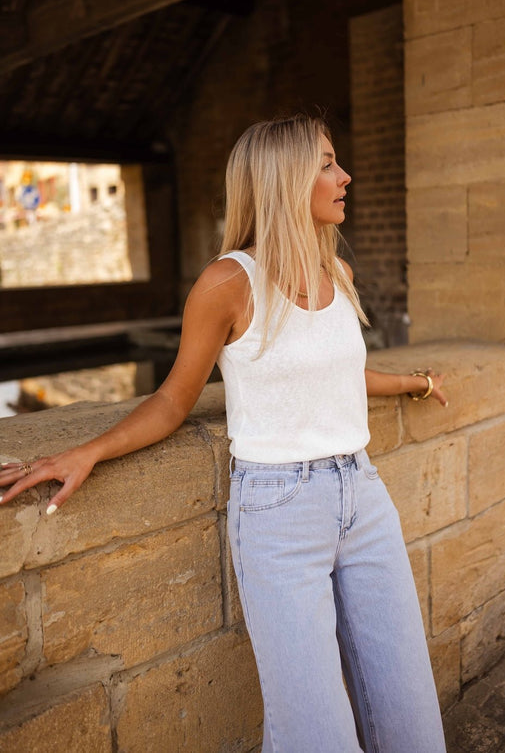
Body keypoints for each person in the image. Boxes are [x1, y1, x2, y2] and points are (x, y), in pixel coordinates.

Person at [0, 115, 447, 753]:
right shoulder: (227, 283)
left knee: (411, 713)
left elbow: (340, 374)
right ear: (284, 180)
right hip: (279, 513)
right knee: (317, 733)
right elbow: (173, 399)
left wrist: (414, 383)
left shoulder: (338, 274)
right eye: (326, 163)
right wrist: (87, 451)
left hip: (364, 495)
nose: (345, 176)